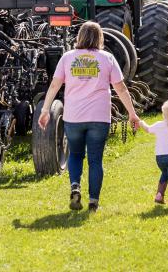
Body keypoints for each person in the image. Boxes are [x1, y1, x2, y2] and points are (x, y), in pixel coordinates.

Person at [38, 21, 140, 212]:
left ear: (79, 37)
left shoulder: (68, 58)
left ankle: (75, 185)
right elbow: (121, 88)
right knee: (95, 160)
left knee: (75, 154)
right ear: (100, 38)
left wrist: (45, 110)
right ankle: (93, 202)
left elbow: (54, 85)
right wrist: (132, 113)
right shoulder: (107, 58)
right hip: (99, 118)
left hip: (73, 117)